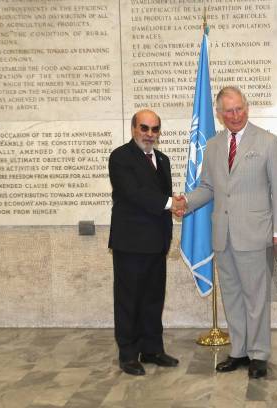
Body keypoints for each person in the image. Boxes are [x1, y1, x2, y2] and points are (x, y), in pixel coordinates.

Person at [183, 86, 277, 378]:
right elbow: (207, 187)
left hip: (255, 235)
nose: (234, 115)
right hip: (223, 235)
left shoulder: (267, 142)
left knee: (256, 298)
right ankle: (239, 351)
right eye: (228, 111)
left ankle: (259, 355)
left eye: (239, 108)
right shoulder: (215, 146)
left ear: (247, 107)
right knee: (231, 296)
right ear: (219, 115)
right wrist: (185, 203)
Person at [108, 109, 184, 376]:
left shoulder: (162, 159)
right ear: (133, 128)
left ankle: (152, 349)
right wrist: (169, 203)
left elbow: (161, 197)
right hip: (130, 243)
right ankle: (128, 353)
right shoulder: (120, 157)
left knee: (153, 298)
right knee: (129, 299)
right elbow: (133, 193)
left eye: (155, 129)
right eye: (144, 128)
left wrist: (175, 204)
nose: (149, 134)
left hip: (156, 242)